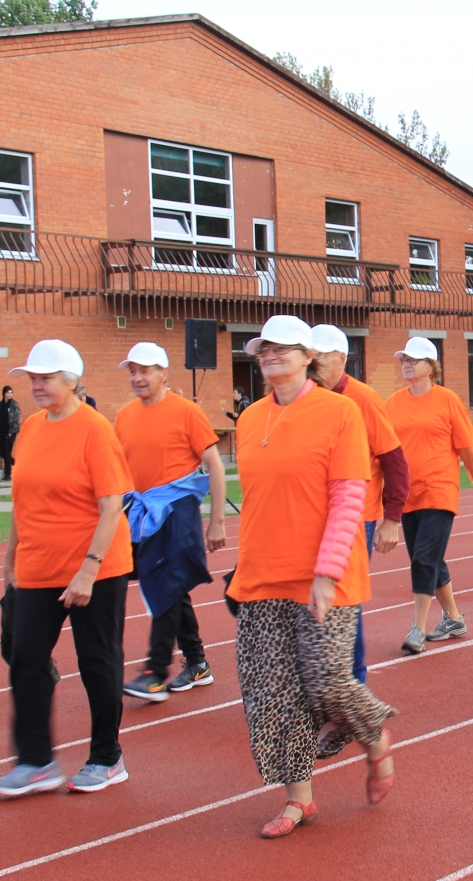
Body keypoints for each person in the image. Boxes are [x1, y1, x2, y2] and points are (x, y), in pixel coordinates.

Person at [227, 315, 397, 838]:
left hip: (327, 575)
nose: (270, 355)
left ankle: (376, 741)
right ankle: (299, 799)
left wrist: (325, 573)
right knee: (271, 693)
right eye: (263, 349)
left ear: (308, 356)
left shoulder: (340, 412)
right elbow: (259, 500)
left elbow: (348, 496)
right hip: (261, 575)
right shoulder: (249, 419)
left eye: (282, 348)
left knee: (327, 682)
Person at [0, 340, 135, 796]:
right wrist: (10, 556)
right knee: (26, 658)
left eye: (45, 377)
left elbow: (112, 504)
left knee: (97, 661)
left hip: (96, 567)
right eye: (32, 378)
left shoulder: (94, 429)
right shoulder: (30, 428)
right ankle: (35, 761)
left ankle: (107, 757)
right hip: (37, 565)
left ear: (71, 381)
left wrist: (88, 570)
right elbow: (21, 498)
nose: (36, 385)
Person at [114, 343, 227, 702]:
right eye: (132, 371)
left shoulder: (185, 412)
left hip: (177, 510)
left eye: (144, 370)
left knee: (165, 583)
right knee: (171, 586)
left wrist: (217, 521)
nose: (137, 378)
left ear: (164, 373)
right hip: (139, 511)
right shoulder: (124, 415)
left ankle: (156, 671)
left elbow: (215, 465)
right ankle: (196, 662)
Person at [309, 324, 409, 687]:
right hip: (311, 516)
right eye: (310, 353)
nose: (314, 361)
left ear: (342, 358)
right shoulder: (305, 397)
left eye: (321, 354)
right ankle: (325, 685)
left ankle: (354, 686)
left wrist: (391, 518)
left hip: (356, 517)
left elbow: (394, 458)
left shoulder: (362, 398)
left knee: (343, 599)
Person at [386, 336, 473, 654]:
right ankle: (454, 618)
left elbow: (466, 450)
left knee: (423, 559)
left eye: (413, 360)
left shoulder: (447, 401)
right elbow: (383, 451)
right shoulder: (392, 403)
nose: (406, 364)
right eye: (403, 359)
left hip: (439, 490)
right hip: (407, 494)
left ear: (431, 366)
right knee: (430, 559)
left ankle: (417, 629)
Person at [0, 385, 21, 481]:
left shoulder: (14, 404)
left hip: (11, 432)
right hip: (3, 432)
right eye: (8, 393)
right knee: (2, 452)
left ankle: (7, 475)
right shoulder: (0, 405)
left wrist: (11, 432)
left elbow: (16, 418)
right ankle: (16, 464)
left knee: (7, 452)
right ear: (4, 394)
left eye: (11, 393)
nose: (10, 394)